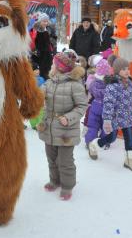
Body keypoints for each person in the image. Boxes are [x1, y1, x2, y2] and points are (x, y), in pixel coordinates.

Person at [37, 52, 88, 200]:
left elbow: (82, 106)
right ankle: (55, 180)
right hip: (50, 129)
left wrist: (69, 117)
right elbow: (38, 97)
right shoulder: (49, 83)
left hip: (66, 131)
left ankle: (67, 186)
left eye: (53, 64)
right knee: (51, 158)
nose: (51, 66)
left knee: (65, 161)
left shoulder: (75, 85)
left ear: (59, 67)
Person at [88, 57, 132, 172]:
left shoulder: (130, 82)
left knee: (129, 137)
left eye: (128, 68)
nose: (127, 71)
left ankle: (129, 160)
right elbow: (108, 103)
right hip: (114, 117)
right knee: (111, 138)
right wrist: (107, 120)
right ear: (117, 70)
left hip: (127, 115)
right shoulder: (112, 86)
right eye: (123, 69)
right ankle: (95, 144)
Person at [85, 59, 112, 156]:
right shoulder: (110, 84)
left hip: (95, 105)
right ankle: (104, 142)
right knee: (106, 126)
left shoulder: (93, 83)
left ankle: (89, 142)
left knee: (93, 126)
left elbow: (90, 89)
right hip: (107, 107)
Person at [30, 13, 55, 79]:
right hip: (39, 57)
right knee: (41, 76)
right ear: (40, 21)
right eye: (44, 21)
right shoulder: (34, 30)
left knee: (47, 74)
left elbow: (50, 43)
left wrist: (52, 51)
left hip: (48, 56)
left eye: (46, 21)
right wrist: (36, 53)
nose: (45, 23)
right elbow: (31, 43)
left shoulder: (47, 30)